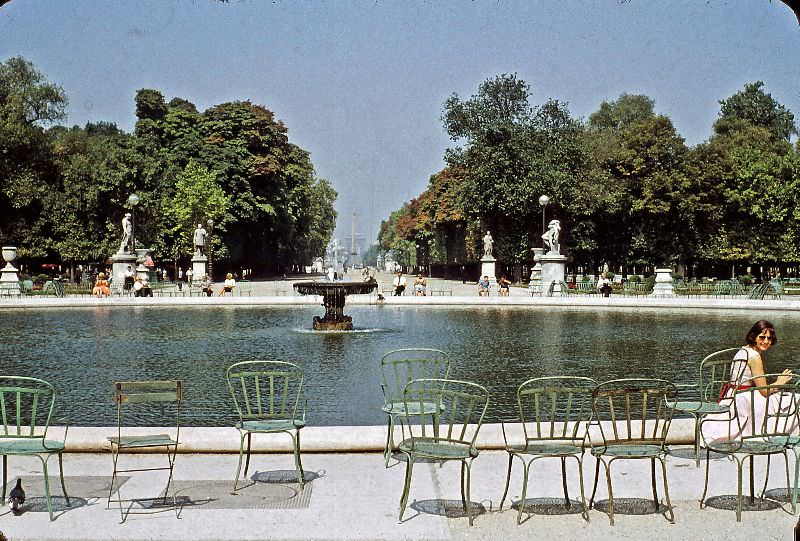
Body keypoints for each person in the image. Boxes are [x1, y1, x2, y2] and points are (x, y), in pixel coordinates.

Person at [702, 320, 798, 444]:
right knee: (794, 399)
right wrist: (780, 381)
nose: (766, 341)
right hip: (747, 399)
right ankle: (789, 437)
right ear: (753, 336)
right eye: (762, 337)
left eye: (769, 338)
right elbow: (763, 391)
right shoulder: (754, 357)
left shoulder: (743, 350)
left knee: (784, 398)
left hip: (733, 395)